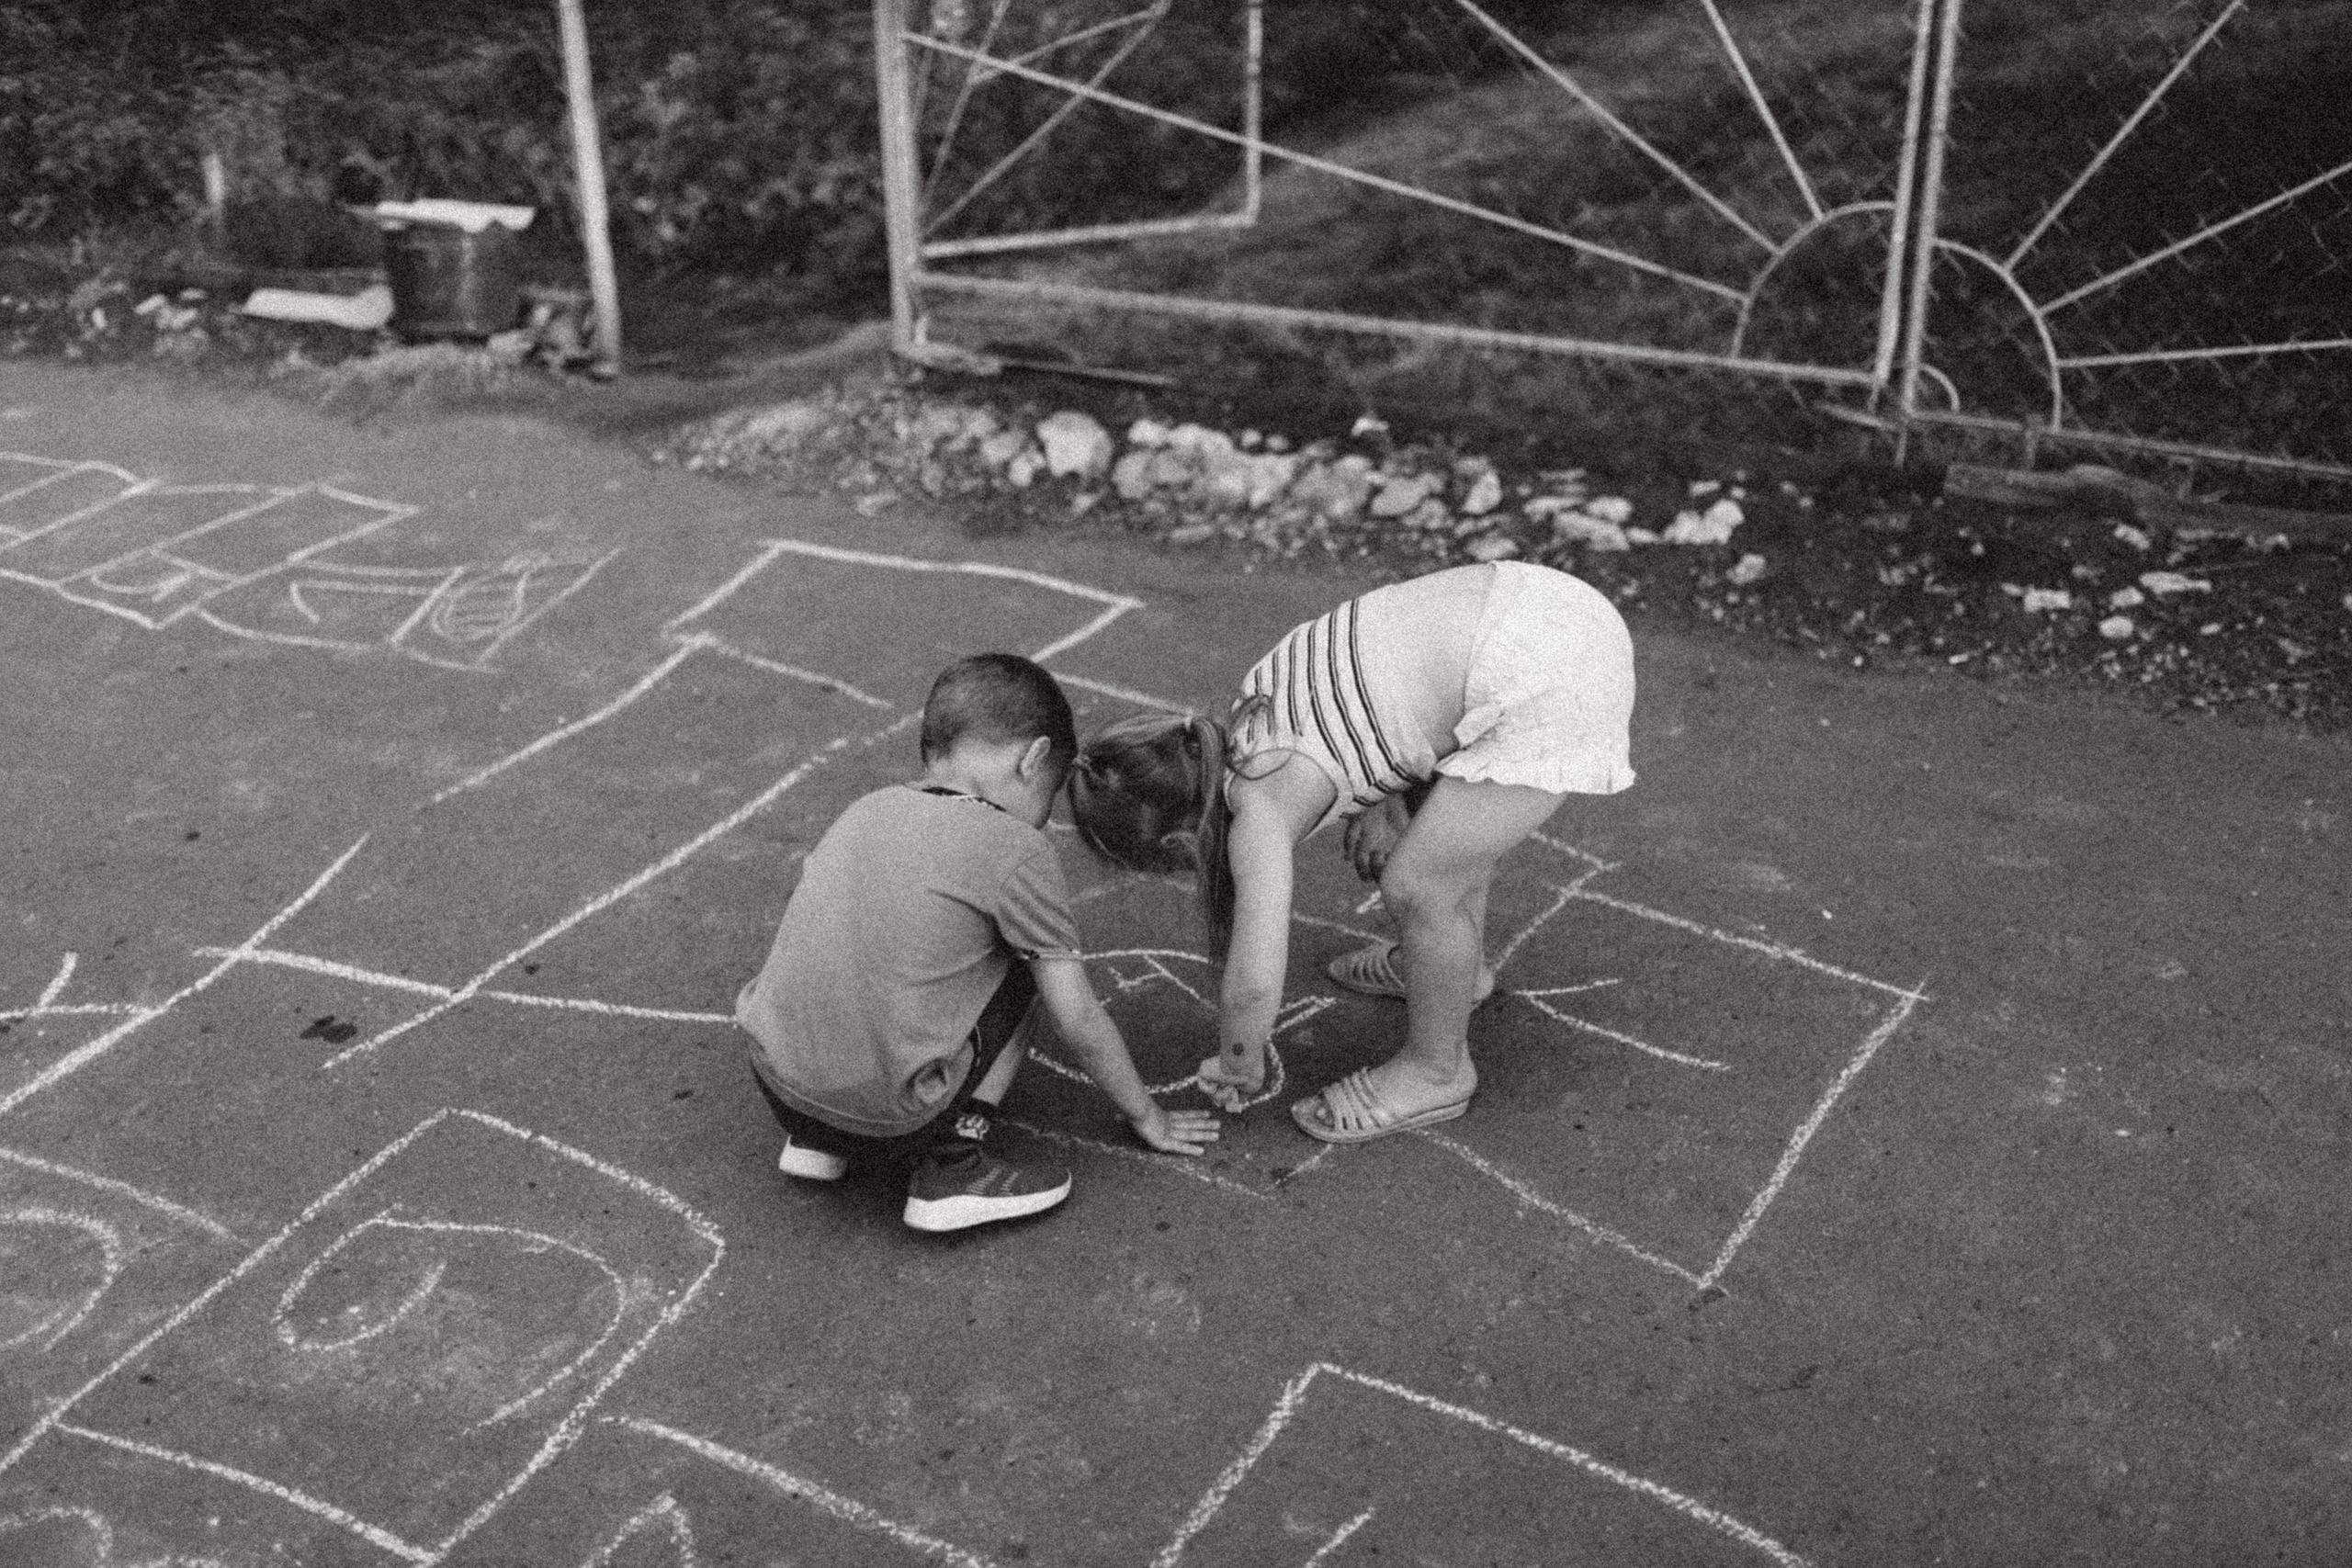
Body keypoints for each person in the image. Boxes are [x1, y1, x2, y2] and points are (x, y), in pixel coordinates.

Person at [1067, 561, 1635, 1144]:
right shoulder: (1257, 698)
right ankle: (1451, 975)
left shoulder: (1258, 816)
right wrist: (1380, 805)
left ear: (1179, 841)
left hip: (1551, 679)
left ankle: (1437, 1071)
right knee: (1446, 840)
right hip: (1537, 602)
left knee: (1419, 886)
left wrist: (1240, 1059)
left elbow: (1255, 982)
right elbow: (1368, 702)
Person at [738, 653, 1218, 1233]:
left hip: (778, 1087)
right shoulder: (1013, 846)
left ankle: (820, 1147)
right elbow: (1079, 1017)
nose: (1042, 819)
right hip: (893, 1116)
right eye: (1048, 796)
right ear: (1033, 758)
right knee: (1027, 966)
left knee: (862, 937)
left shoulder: (867, 809)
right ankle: (951, 1168)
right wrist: (1148, 1115)